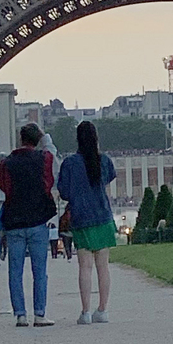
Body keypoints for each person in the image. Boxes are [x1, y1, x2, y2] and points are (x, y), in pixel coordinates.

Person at [0, 123, 57, 326]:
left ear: (20, 139)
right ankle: (40, 313)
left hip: (14, 221)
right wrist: (45, 138)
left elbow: (1, 183)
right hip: (38, 219)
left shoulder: (7, 163)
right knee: (40, 271)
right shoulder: (43, 159)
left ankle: (20, 314)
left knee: (15, 271)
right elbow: (53, 165)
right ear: (37, 140)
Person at [57, 121, 119, 323]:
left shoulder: (69, 163)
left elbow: (64, 193)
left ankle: (85, 312)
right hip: (102, 215)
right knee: (103, 266)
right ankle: (102, 310)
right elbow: (108, 178)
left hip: (81, 217)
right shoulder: (105, 161)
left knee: (85, 267)